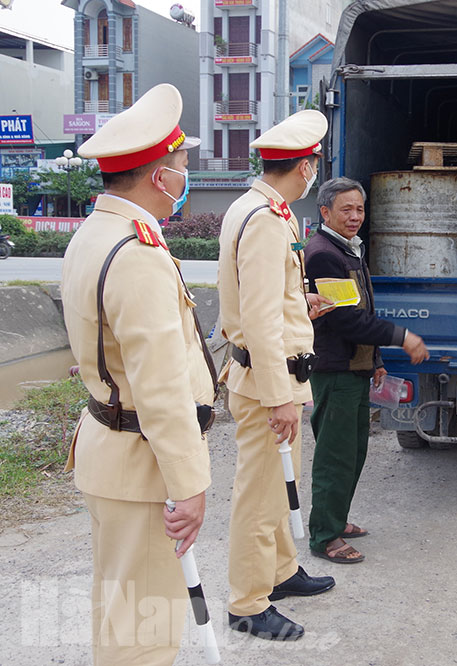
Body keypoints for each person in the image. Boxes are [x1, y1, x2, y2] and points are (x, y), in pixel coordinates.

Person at [61, 83, 213, 664]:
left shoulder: (93, 236)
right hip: (142, 461)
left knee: (120, 613)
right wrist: (188, 484)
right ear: (159, 178)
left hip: (109, 451)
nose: (182, 177)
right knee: (145, 633)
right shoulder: (137, 253)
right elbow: (161, 388)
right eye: (179, 166)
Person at [217, 109, 335, 641]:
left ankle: (281, 572)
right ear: (305, 167)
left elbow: (266, 300)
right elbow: (260, 318)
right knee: (261, 494)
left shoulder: (261, 207)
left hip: (279, 371)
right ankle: (246, 602)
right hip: (269, 380)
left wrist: (301, 304)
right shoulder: (265, 219)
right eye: (313, 164)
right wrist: (277, 397)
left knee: (279, 486)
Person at [304, 177, 429, 564]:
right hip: (335, 369)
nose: (356, 216)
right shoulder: (324, 253)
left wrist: (374, 360)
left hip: (355, 367)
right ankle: (325, 536)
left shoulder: (348, 249)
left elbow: (362, 309)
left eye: (359, 208)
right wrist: (401, 336)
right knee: (335, 455)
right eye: (347, 209)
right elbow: (345, 320)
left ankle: (336, 520)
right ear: (325, 212)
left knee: (354, 451)